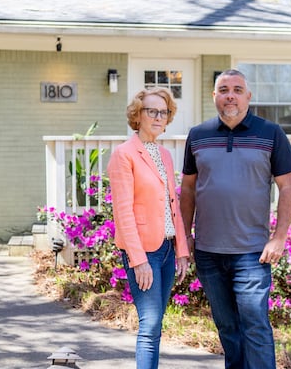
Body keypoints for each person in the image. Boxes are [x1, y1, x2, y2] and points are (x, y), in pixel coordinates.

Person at [180, 69, 291, 369]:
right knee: (228, 329)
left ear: (248, 96)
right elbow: (189, 188)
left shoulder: (270, 133)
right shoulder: (198, 135)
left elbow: (287, 187)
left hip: (252, 252)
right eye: (223, 89)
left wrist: (279, 236)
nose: (229, 95)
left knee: (255, 326)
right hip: (208, 251)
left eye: (237, 89)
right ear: (214, 96)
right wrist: (185, 235)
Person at [107, 87, 191, 369]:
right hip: (144, 252)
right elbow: (123, 213)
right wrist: (138, 259)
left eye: (163, 112)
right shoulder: (124, 154)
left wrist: (181, 250)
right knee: (150, 323)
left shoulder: (164, 154)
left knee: (157, 323)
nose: (158, 117)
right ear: (137, 114)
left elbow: (172, 205)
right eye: (151, 111)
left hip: (167, 248)